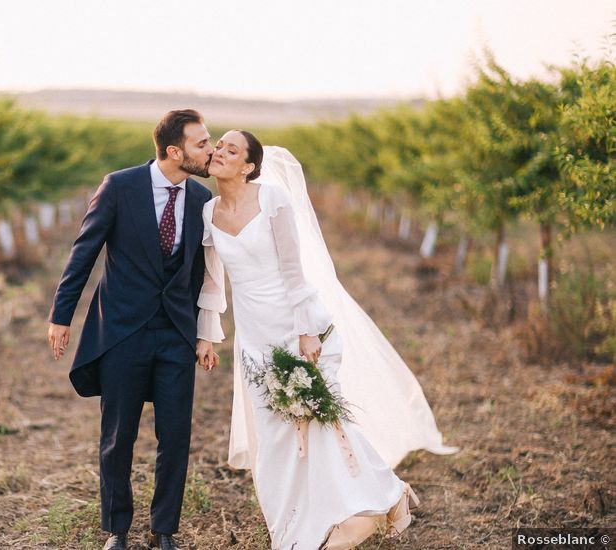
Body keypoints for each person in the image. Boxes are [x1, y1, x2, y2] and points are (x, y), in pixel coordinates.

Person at [196, 130, 456, 550]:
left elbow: (294, 270)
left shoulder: (271, 199)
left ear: (248, 166)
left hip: (296, 329)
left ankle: (374, 500)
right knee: (275, 435)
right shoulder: (208, 213)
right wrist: (207, 337)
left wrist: (305, 332)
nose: (220, 152)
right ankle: (294, 529)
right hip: (253, 340)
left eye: (231, 149)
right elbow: (212, 283)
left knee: (320, 422)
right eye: (218, 146)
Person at [47, 109, 216, 550]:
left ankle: (164, 532)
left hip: (176, 333)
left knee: (176, 436)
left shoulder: (201, 200)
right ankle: (116, 530)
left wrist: (202, 332)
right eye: (202, 143)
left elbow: (201, 274)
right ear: (174, 150)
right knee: (118, 435)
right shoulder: (120, 187)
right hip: (122, 330)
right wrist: (61, 315)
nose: (210, 149)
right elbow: (84, 251)